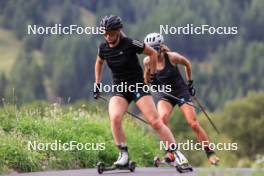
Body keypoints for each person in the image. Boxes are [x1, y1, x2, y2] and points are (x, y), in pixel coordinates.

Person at [94, 15, 191, 168]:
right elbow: (99, 62)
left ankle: (176, 153)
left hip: (137, 86)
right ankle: (123, 155)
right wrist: (97, 84)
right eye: (104, 33)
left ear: (119, 31)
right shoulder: (103, 47)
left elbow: (152, 53)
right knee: (115, 118)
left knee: (155, 121)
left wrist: (152, 75)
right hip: (120, 88)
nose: (107, 36)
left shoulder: (131, 43)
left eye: (111, 33)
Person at [143, 32, 220, 165]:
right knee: (162, 119)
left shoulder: (172, 57)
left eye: (155, 48)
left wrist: (190, 83)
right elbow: (146, 80)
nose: (152, 52)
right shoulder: (148, 61)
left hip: (180, 92)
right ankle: (171, 152)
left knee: (193, 123)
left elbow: (187, 64)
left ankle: (210, 153)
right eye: (149, 49)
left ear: (161, 46)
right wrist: (150, 82)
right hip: (165, 94)